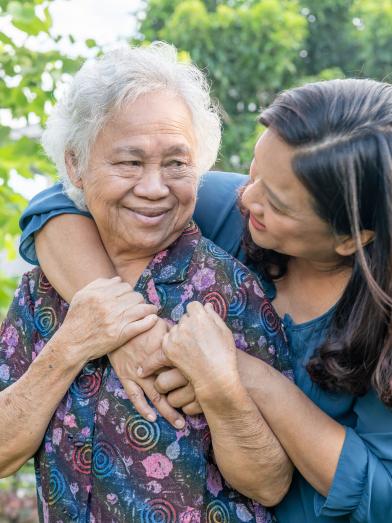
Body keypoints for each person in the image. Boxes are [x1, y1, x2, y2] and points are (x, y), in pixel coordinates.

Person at [19, 77, 392, 523]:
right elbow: (61, 204)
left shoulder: (381, 319)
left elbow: (381, 496)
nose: (247, 197)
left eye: (276, 202)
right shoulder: (228, 207)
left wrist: (246, 375)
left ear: (353, 238)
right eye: (255, 171)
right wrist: (125, 328)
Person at [0, 43, 294, 522]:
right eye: (130, 163)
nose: (155, 188)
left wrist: (221, 391)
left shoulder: (231, 289)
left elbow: (271, 482)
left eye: (177, 163)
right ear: (75, 165)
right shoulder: (43, 290)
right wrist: (70, 345)